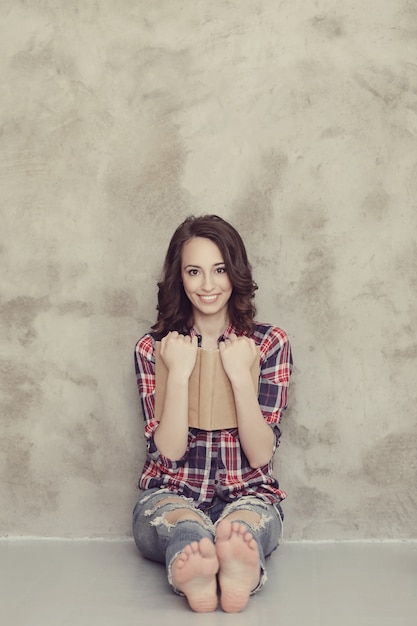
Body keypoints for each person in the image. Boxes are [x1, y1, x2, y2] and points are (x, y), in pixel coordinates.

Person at [132, 214, 293, 613]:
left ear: (235, 272)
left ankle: (240, 568)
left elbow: (260, 455)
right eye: (194, 271)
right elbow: (167, 452)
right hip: (172, 494)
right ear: (179, 278)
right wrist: (181, 373)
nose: (207, 285)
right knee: (184, 528)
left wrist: (240, 376)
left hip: (248, 494)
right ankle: (198, 574)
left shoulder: (269, 343)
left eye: (219, 270)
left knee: (243, 529)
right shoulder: (154, 349)